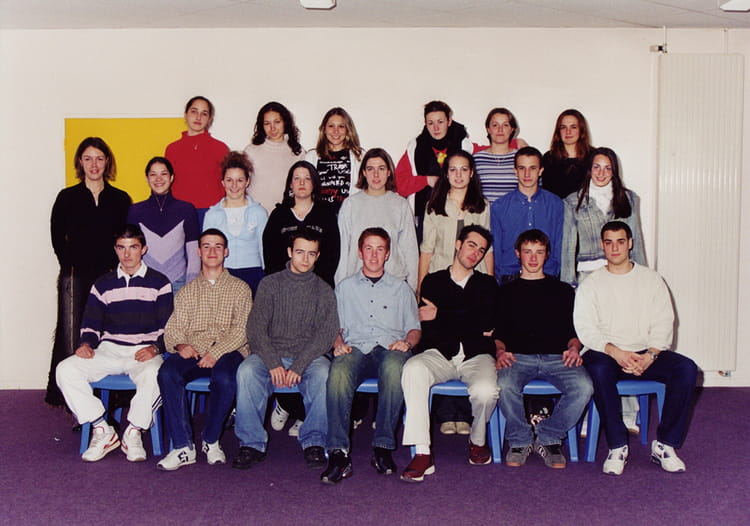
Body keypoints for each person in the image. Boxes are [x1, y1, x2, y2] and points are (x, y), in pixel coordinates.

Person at [575, 221, 697, 476]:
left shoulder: (651, 279)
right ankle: (617, 445)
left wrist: (650, 355)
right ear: (602, 245)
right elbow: (586, 329)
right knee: (597, 369)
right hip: (608, 353)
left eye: (620, 241)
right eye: (609, 242)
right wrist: (616, 352)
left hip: (645, 353)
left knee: (686, 369)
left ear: (630, 243)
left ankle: (664, 445)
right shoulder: (591, 284)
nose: (614, 248)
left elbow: (664, 321)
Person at [56, 224, 172, 462]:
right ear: (115, 249)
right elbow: (91, 323)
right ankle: (102, 429)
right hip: (109, 349)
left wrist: (156, 348)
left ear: (143, 249)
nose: (127, 254)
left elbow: (168, 327)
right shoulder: (103, 283)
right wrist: (86, 343)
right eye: (121, 248)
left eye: (133, 247)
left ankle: (133, 432)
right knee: (65, 369)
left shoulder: (160, 282)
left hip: (144, 351)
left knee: (157, 374)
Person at [232, 230, 339, 471]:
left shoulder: (324, 290)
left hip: (309, 357)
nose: (305, 259)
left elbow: (326, 334)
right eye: (300, 252)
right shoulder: (270, 284)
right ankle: (251, 444)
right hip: (271, 353)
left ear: (318, 256)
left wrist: (299, 365)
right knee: (246, 371)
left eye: (311, 254)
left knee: (324, 374)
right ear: (290, 252)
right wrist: (273, 362)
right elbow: (256, 328)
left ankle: (314, 441)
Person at [321, 228, 421, 484]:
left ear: (387, 254)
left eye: (380, 249)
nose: (374, 255)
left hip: (390, 348)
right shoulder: (344, 288)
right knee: (338, 370)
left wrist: (407, 343)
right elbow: (334, 328)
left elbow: (414, 328)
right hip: (355, 347)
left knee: (395, 368)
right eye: (368, 248)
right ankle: (338, 453)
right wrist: (337, 344)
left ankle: (383, 447)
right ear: (359, 252)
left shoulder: (401, 289)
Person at [400, 225, 499, 482]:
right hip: (439, 353)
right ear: (458, 245)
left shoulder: (488, 285)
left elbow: (488, 322)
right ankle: (422, 452)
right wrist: (470, 319)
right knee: (413, 369)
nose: (475, 253)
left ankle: (477, 441)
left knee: (487, 390)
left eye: (481, 250)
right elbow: (430, 326)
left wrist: (442, 314)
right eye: (471, 245)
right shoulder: (433, 281)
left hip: (476, 356)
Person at [494, 229, 592, 469]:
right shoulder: (504, 292)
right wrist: (499, 352)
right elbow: (498, 335)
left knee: (584, 387)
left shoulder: (563, 291)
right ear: (518, 254)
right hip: (518, 357)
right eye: (527, 251)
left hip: (558, 357)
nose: (533, 258)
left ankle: (548, 437)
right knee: (504, 384)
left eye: (539, 252)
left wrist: (574, 349)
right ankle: (520, 440)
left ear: (547, 255)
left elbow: (574, 332)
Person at [156, 228, 253, 471]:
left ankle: (210, 440)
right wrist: (181, 345)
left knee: (225, 377)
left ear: (226, 252)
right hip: (195, 349)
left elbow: (242, 330)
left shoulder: (241, 288)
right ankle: (183, 447)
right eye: (206, 246)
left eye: (218, 246)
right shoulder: (186, 291)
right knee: (167, 372)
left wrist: (216, 353)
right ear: (199, 252)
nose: (212, 251)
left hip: (230, 349)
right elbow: (173, 328)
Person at [47, 137, 131, 407]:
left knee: (107, 335)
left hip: (109, 276)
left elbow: (124, 238)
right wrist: (70, 267)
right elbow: (57, 237)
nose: (94, 165)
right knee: (71, 334)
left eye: (99, 159)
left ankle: (109, 396)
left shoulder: (120, 199)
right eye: (88, 159)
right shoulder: (67, 197)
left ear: (107, 162)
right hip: (75, 275)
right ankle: (72, 397)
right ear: (80, 163)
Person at [335, 148, 418, 291]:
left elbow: (410, 250)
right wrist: (340, 286)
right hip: (357, 284)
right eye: (370, 169)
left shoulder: (400, 205)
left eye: (381, 168)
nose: (376, 174)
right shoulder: (350, 205)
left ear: (389, 172)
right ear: (364, 172)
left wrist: (412, 288)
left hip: (393, 284)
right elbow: (342, 250)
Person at [561, 146, 645, 287]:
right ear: (590, 169)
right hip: (588, 276)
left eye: (608, 168)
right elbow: (568, 246)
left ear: (614, 172)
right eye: (597, 167)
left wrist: (642, 276)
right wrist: (568, 283)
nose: (601, 173)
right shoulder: (572, 202)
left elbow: (635, 240)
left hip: (622, 272)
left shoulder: (629, 198)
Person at [394, 100, 475, 240]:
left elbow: (494, 150)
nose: (436, 128)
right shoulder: (415, 148)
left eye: (440, 122)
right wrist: (425, 180)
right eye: (430, 123)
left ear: (449, 121)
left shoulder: (465, 145)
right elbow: (399, 184)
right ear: (425, 124)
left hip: (459, 214)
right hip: (425, 217)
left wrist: (514, 143)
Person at [419, 150, 493, 295]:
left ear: (471, 173)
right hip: (441, 277)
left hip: (473, 280)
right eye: (453, 170)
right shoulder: (434, 206)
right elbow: (427, 250)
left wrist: (491, 282)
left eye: (464, 169)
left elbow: (487, 249)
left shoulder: (482, 206)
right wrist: (420, 288)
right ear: (446, 174)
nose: (458, 175)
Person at [490, 146, 563, 282]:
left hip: (547, 275)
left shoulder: (556, 204)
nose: (527, 174)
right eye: (522, 168)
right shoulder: (499, 206)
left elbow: (560, 243)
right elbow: (496, 247)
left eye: (532, 168)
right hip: (510, 277)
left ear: (540, 171)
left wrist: (556, 272)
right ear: (515, 171)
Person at [127, 156, 200, 292]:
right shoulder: (135, 211)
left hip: (179, 283)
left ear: (171, 177)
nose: (158, 179)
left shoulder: (186, 209)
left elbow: (194, 251)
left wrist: (191, 286)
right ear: (147, 179)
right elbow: (131, 251)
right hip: (145, 282)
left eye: (164, 174)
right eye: (153, 174)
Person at [263, 160, 340, 287]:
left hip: (318, 286)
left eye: (307, 178)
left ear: (314, 183)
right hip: (283, 285)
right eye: (297, 178)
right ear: (290, 184)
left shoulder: (326, 214)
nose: (302, 183)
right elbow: (270, 255)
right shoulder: (278, 215)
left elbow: (332, 255)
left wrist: (314, 283)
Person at [203, 150, 268, 296]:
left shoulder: (259, 212)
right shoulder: (212, 215)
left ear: (247, 182)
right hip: (222, 275)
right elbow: (206, 252)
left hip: (254, 275)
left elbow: (264, 249)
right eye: (229, 180)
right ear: (222, 182)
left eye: (239, 180)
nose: (234, 185)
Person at [165, 95, 229, 212]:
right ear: (185, 114)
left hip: (212, 212)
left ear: (209, 119)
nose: (198, 117)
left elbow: (229, 183)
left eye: (204, 113)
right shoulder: (172, 149)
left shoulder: (220, 148)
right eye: (194, 111)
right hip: (180, 211)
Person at [244, 101, 306, 214]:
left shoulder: (298, 152)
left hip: (286, 215)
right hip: (255, 215)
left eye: (277, 122)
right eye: (267, 123)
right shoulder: (251, 151)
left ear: (285, 122)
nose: (272, 128)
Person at [304, 107, 364, 214]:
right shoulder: (311, 157)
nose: (336, 131)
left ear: (347, 130)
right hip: (319, 217)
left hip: (349, 216)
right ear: (324, 129)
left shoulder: (359, 156)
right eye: (331, 126)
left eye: (341, 126)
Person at [473, 107, 529, 204]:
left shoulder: (522, 159)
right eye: (495, 125)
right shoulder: (476, 159)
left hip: (515, 212)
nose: (500, 129)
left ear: (512, 129)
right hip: (484, 213)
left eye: (505, 125)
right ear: (488, 129)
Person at [541, 109, 593, 200]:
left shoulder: (593, 157)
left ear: (581, 130)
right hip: (557, 208)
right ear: (558, 131)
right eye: (563, 127)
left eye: (573, 127)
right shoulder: (549, 158)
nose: (568, 132)